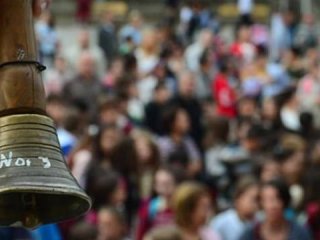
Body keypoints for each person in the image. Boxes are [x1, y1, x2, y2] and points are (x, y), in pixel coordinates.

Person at [240, 179, 311, 240]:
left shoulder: (300, 233)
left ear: (285, 201)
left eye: (278, 199)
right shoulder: (250, 234)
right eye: (268, 199)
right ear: (261, 202)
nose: (273, 205)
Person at [157, 106, 202, 178]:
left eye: (187, 120)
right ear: (172, 123)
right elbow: (161, 166)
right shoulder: (162, 143)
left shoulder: (188, 141)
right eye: (183, 120)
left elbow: (197, 162)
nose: (187, 123)